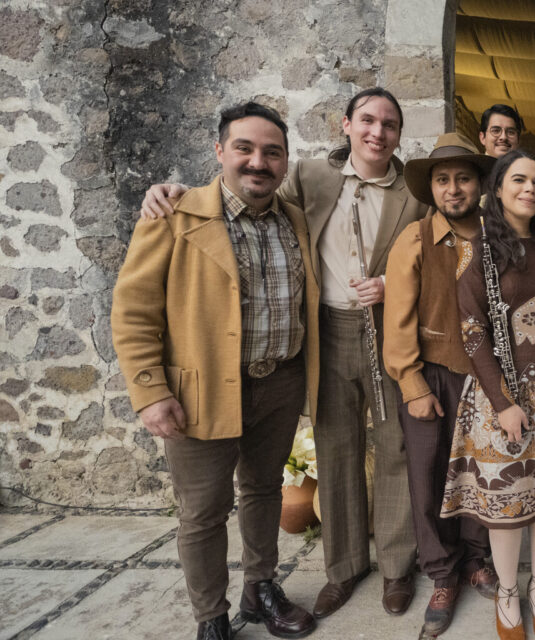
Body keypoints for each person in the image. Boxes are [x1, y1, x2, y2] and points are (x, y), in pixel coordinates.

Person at [139, 88, 423, 620]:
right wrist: (168, 190)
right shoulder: (309, 178)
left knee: (395, 449)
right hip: (327, 334)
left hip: (387, 334)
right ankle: (342, 569)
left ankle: (395, 567)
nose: (377, 132)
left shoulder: (416, 192)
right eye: (367, 120)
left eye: (389, 124)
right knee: (337, 449)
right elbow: (240, 190)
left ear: (399, 135)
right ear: (346, 124)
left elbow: (431, 259)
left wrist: (395, 286)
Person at [112, 101, 319, 640]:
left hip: (280, 381)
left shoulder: (292, 217)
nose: (258, 162)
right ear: (219, 151)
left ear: (285, 161)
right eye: (245, 149)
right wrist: (150, 391)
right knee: (202, 511)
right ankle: (211, 617)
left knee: (264, 490)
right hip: (201, 390)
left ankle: (261, 588)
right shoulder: (175, 216)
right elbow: (133, 309)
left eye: (272, 152)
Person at [441, 149, 535, 640]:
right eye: (518, 180)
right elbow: (472, 330)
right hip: (500, 393)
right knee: (507, 503)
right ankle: (507, 592)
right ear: (497, 189)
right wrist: (503, 404)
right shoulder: (480, 248)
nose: (529, 189)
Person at [383, 133, 501, 638]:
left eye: (464, 178)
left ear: (478, 185)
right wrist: (412, 383)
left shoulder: (498, 236)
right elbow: (397, 319)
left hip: (485, 378)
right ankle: (441, 573)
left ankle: (477, 557)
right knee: (428, 475)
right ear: (431, 188)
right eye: (443, 180)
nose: (454, 189)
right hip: (431, 374)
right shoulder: (414, 239)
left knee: (479, 472)